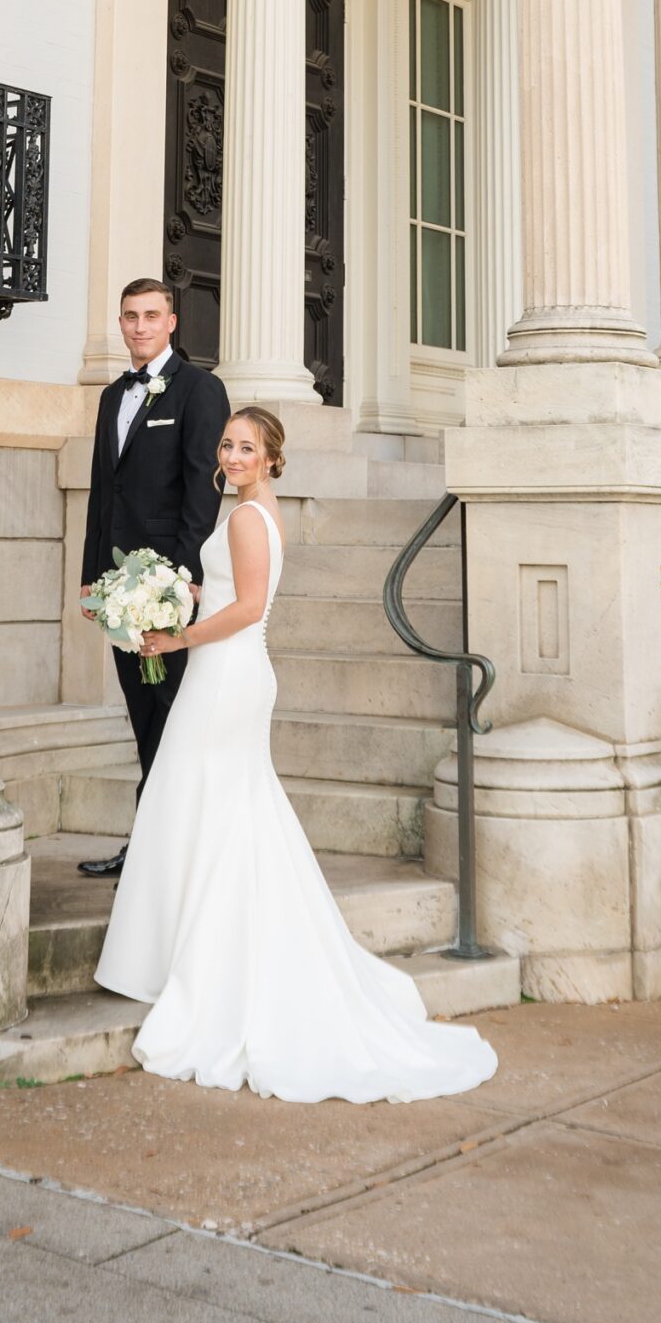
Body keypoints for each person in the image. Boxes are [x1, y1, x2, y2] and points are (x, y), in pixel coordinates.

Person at [95, 405, 500, 1102]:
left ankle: (207, 966)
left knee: (209, 801)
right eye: (226, 444)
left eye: (246, 447)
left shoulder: (251, 518)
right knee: (213, 802)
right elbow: (225, 593)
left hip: (227, 673)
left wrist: (175, 639)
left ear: (273, 459)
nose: (232, 456)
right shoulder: (252, 512)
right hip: (226, 671)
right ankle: (183, 953)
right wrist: (167, 599)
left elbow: (249, 607)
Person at [76, 276, 230, 879]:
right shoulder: (113, 395)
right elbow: (100, 490)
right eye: (129, 316)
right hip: (119, 584)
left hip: (167, 585)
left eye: (150, 315)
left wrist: (185, 576)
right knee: (142, 712)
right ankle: (152, 844)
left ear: (172, 322)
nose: (138, 326)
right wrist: (92, 576)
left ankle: (171, 851)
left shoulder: (200, 390)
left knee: (171, 710)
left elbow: (203, 487)